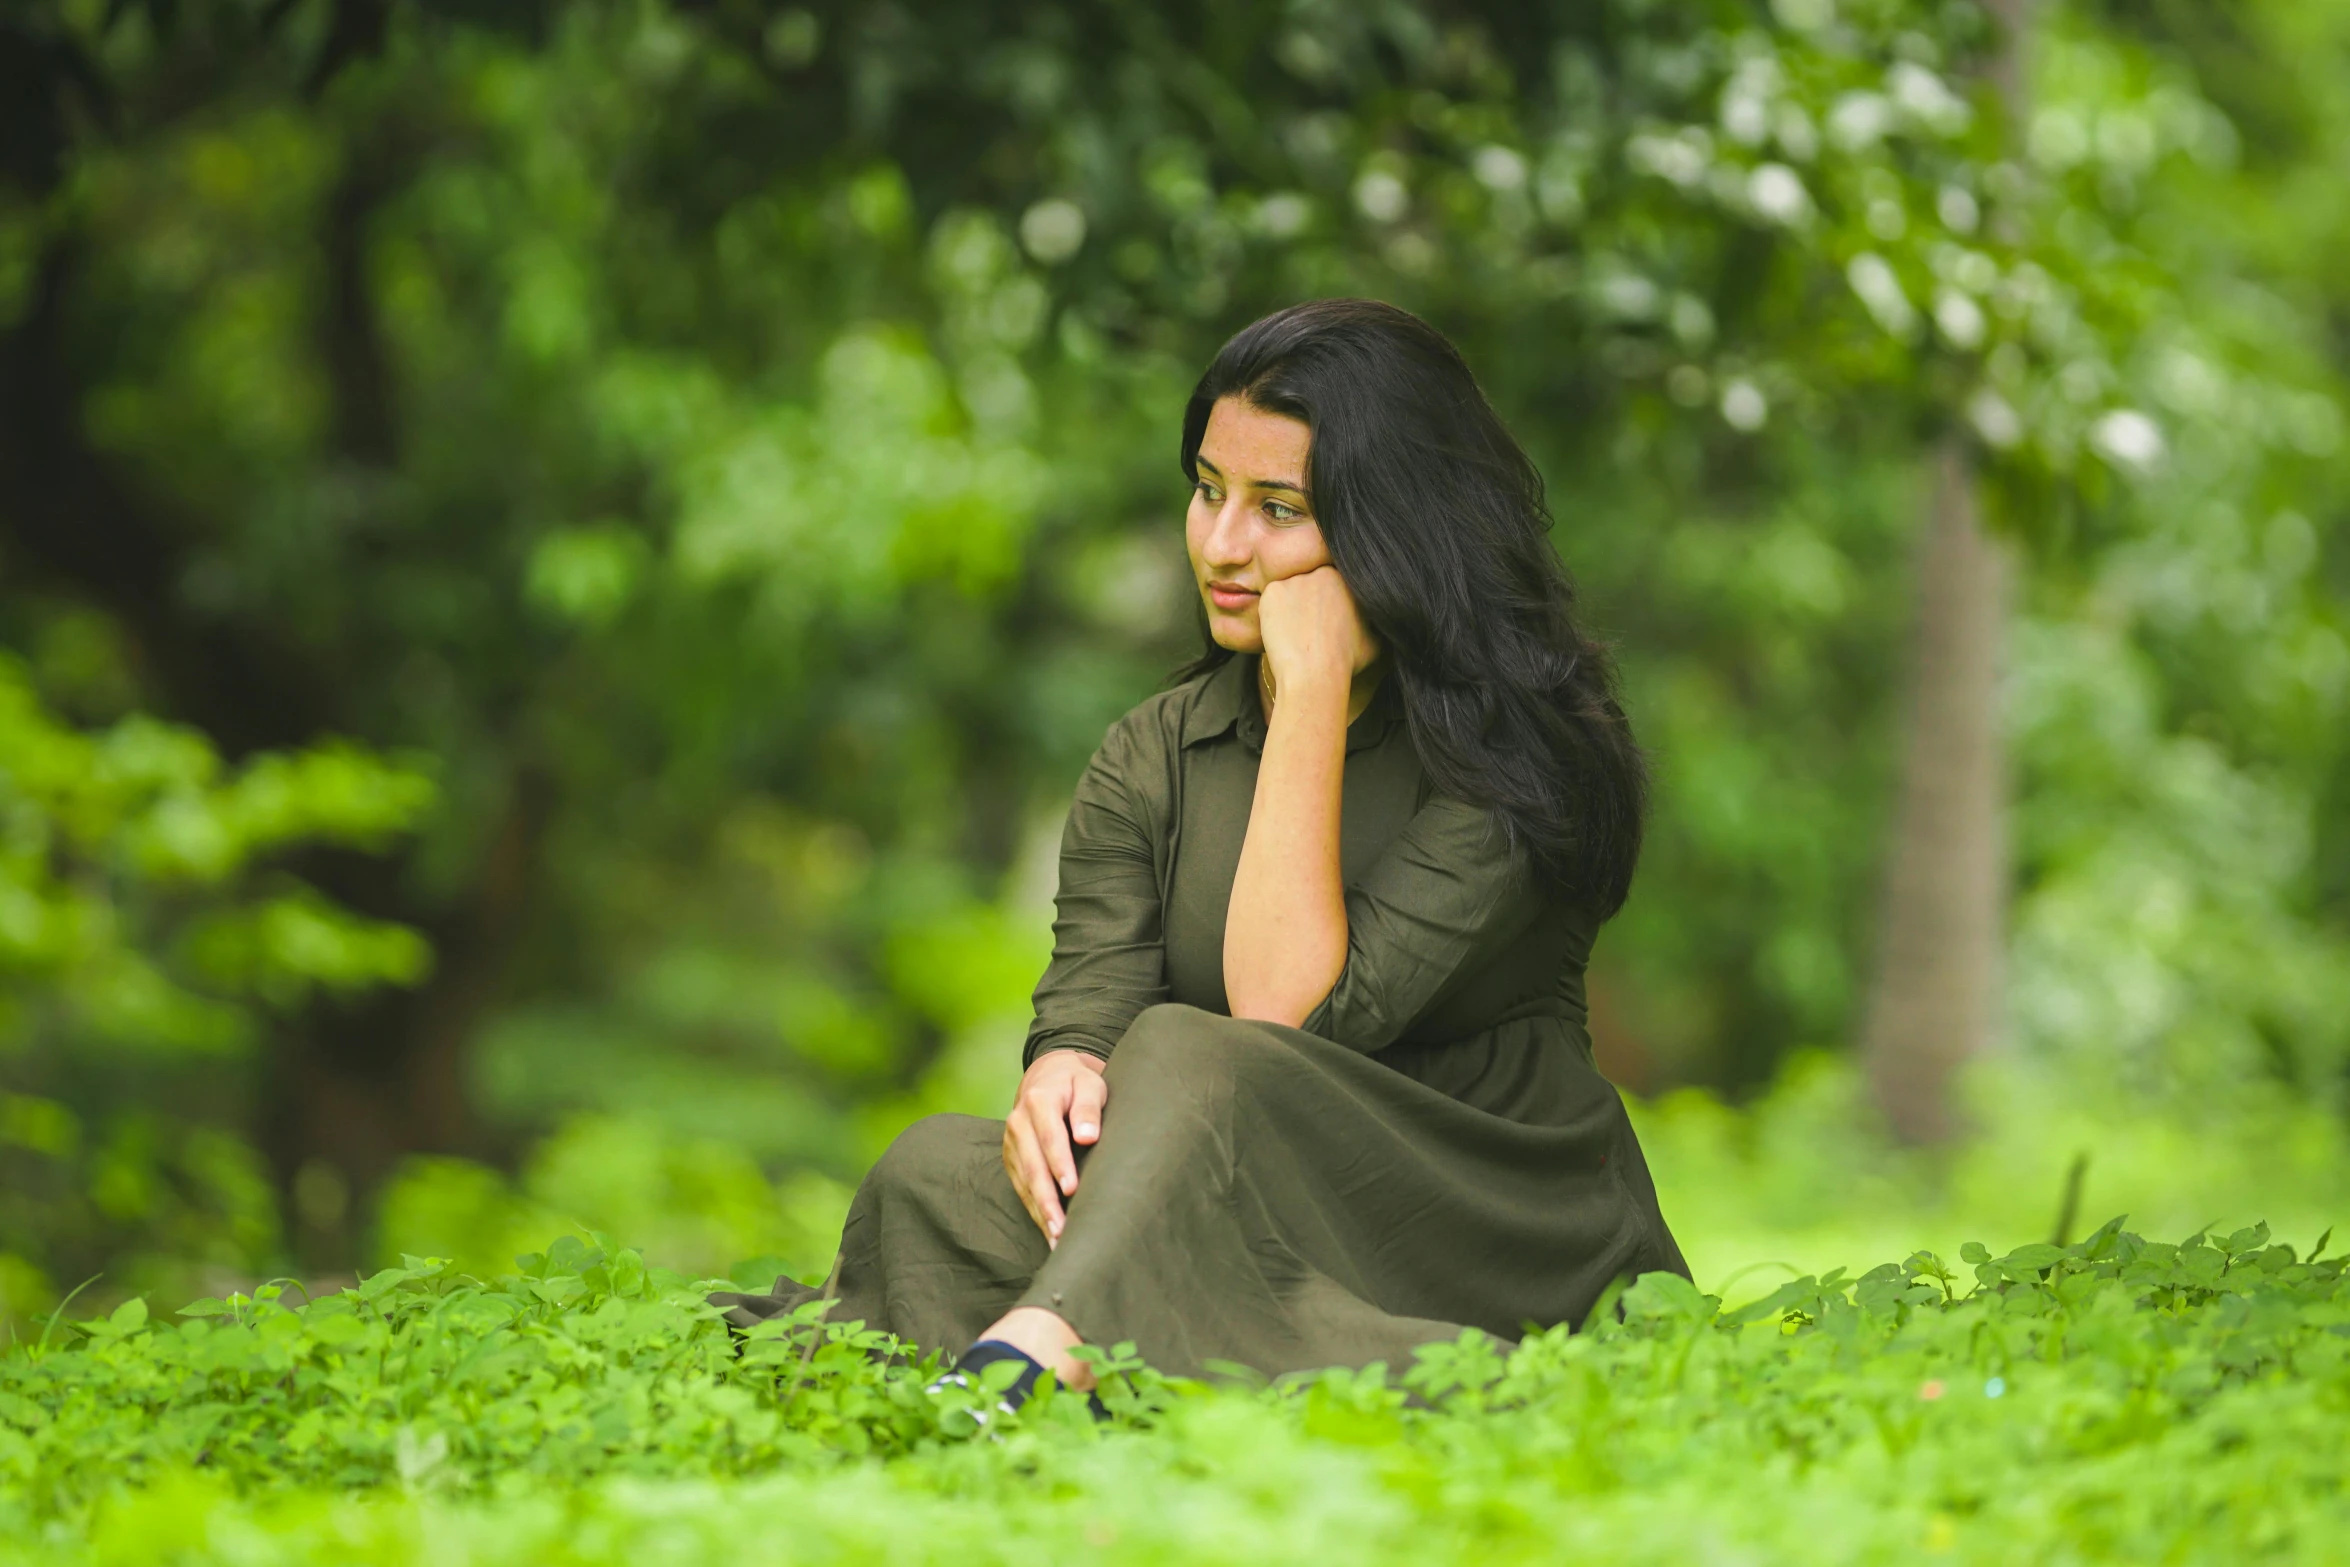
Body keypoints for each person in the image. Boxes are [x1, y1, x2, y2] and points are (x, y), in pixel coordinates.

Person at [714, 298, 1688, 1402]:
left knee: (1192, 1047)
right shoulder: (1155, 752)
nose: (1222, 546)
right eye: (1209, 490)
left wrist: (1311, 690)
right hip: (1250, 1206)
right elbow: (1093, 999)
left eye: (1279, 508)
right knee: (932, 1171)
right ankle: (1188, 1351)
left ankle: (1047, 1352)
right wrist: (1063, 1069)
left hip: (1475, 1213)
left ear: (1396, 527)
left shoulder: (1519, 753)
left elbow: (1285, 1016)